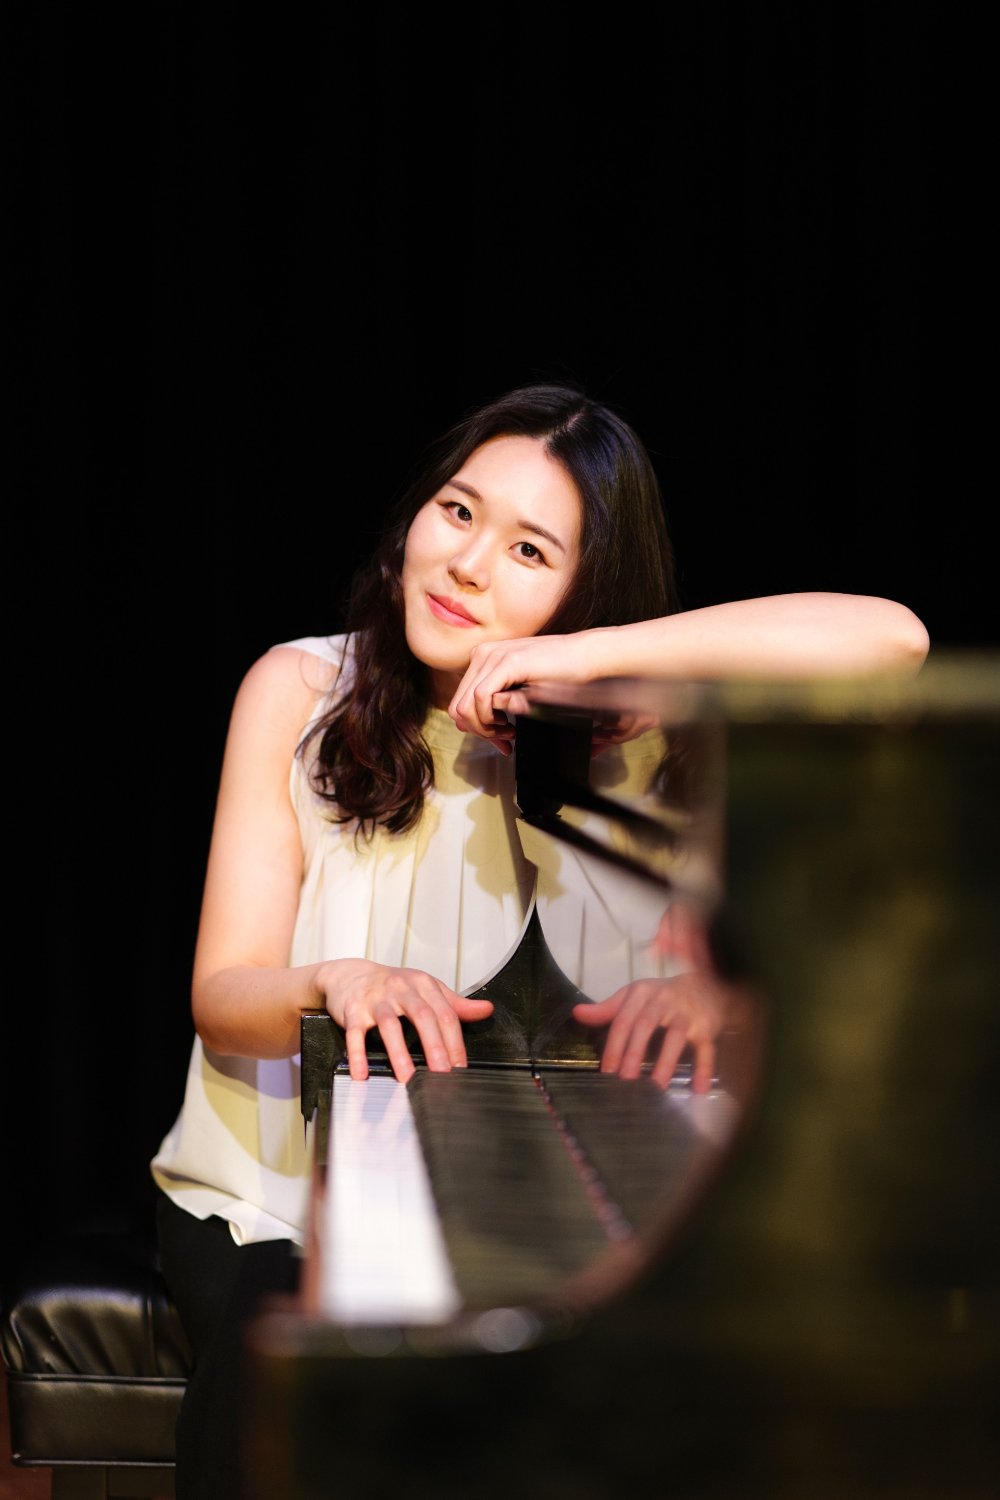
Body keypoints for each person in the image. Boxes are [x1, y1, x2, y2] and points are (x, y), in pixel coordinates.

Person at [150, 382, 929, 1497]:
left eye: (529, 550)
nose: (467, 564)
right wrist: (336, 980)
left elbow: (894, 639)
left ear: (589, 591)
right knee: (296, 1400)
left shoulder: (652, 721)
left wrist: (590, 662)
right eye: (457, 511)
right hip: (280, 1194)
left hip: (574, 1199)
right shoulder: (302, 686)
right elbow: (224, 992)